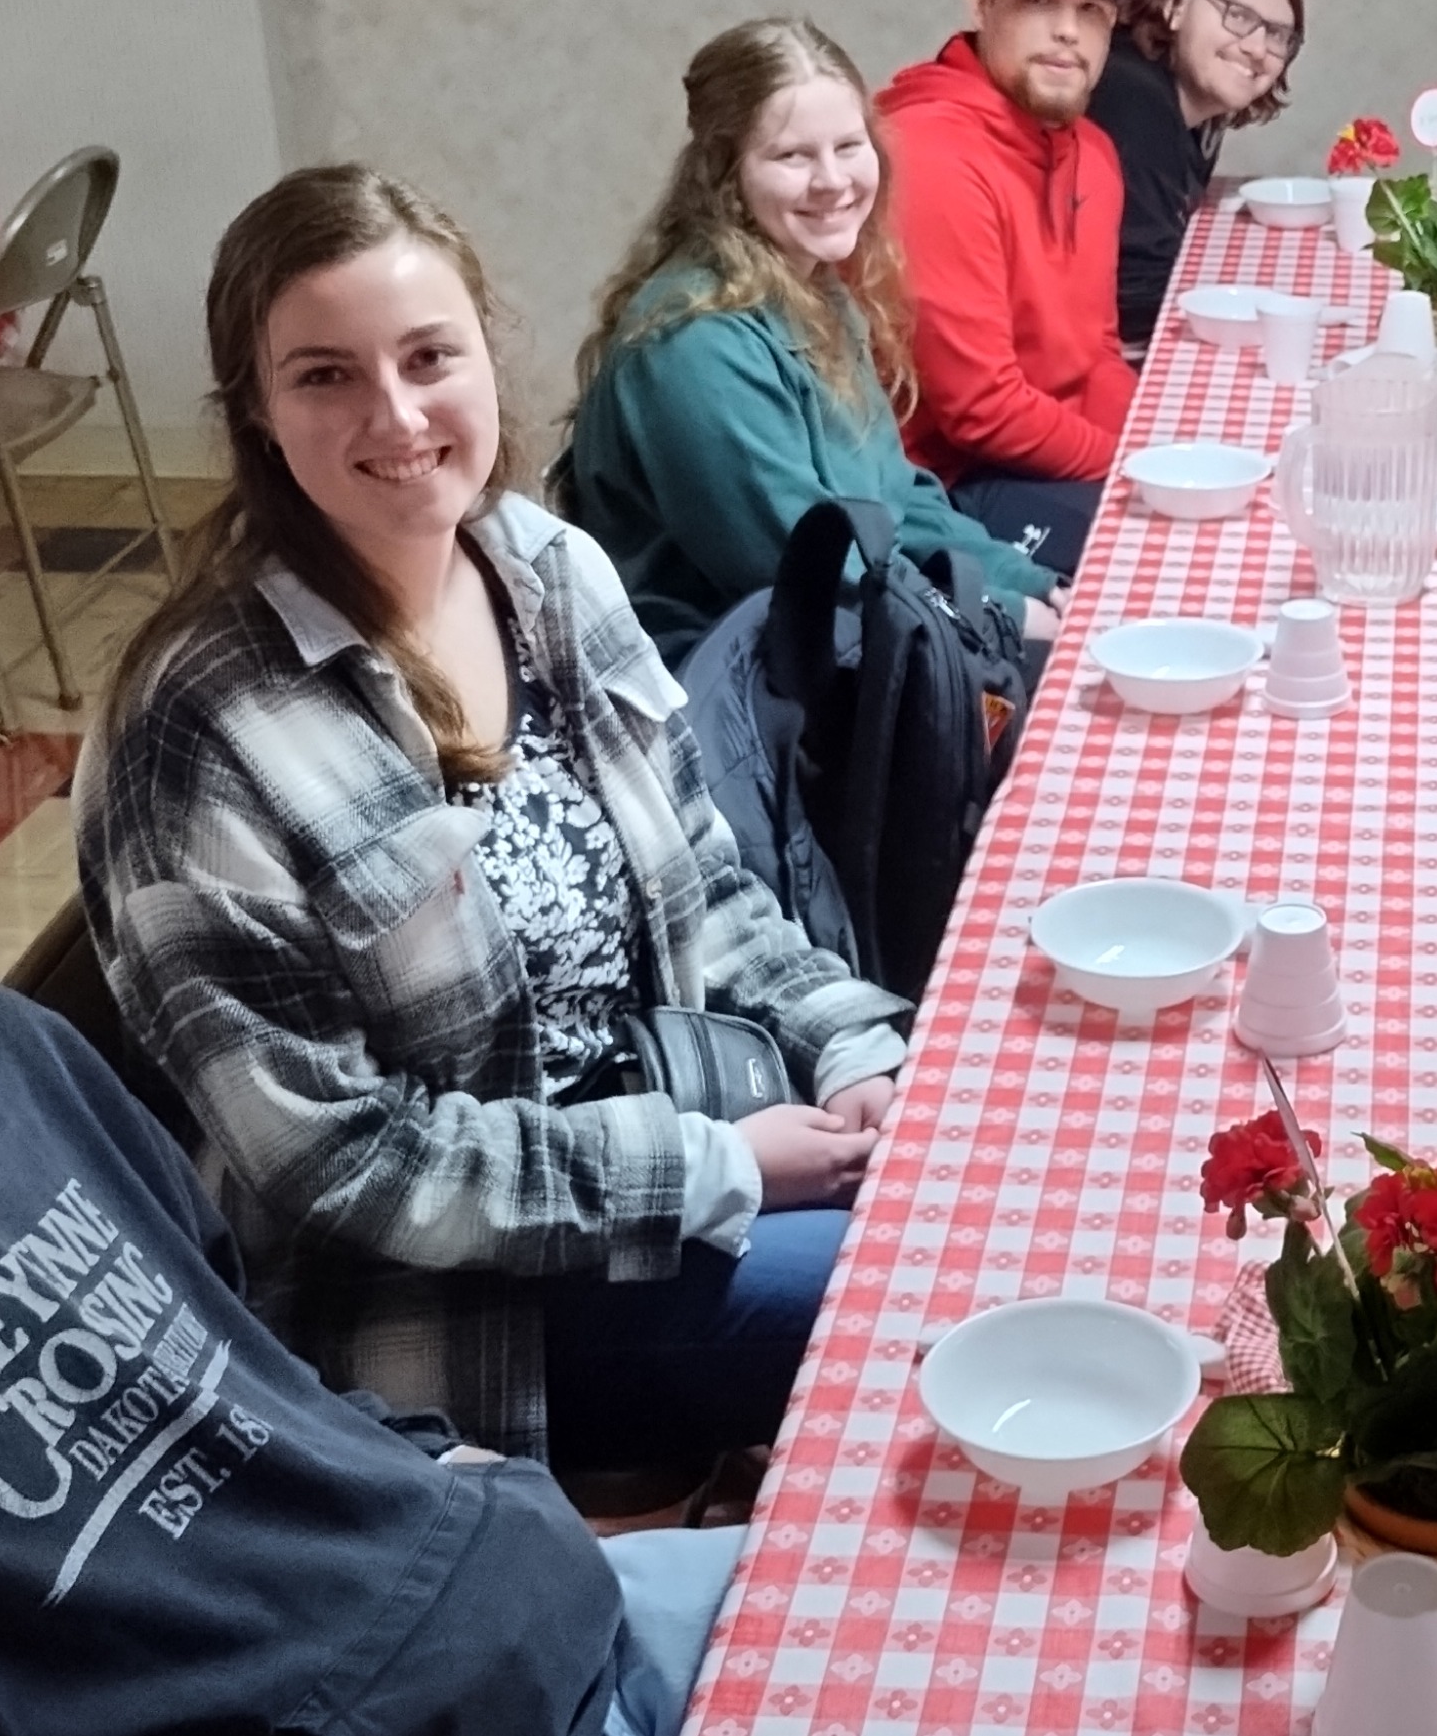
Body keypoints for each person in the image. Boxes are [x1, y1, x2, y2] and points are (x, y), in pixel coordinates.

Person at [75, 166, 912, 1467]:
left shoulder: (548, 569)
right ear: (254, 409)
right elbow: (340, 1160)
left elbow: (708, 880)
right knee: (914, 1312)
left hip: (680, 1130)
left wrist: (855, 1052)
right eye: (325, 375)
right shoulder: (203, 727)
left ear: (487, 355)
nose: (396, 415)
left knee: (959, 1195)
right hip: (450, 1314)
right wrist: (704, 1168)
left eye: (427, 357)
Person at [0, 573, 740, 1735]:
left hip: (517, 1585)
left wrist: (432, 1464)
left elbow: (239, 1345)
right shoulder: (201, 721)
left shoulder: (1, 1042)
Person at [562, 17, 1062, 667]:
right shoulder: (694, 347)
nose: (832, 180)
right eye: (793, 156)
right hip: (740, 689)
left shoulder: (815, 289)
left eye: (849, 146)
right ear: (724, 174)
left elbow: (898, 498)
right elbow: (816, 575)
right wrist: (1000, 612)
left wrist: (1032, 582)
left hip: (860, 627)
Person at [880, 0, 1137, 582]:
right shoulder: (931, 151)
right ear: (980, 3)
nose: (1067, 32)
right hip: (930, 489)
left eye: (1092, 10)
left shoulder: (1096, 155)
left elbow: (1097, 358)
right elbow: (979, 412)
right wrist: (1134, 461)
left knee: (1199, 520)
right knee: (1143, 561)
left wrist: (1153, 447)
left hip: (1027, 458)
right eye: (1037, 0)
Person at [1086, 0, 1305, 353]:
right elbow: (1136, 298)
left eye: (1278, 34)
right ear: (1174, 6)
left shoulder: (1198, 109)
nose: (1257, 48)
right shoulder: (1134, 100)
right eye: (1237, 15)